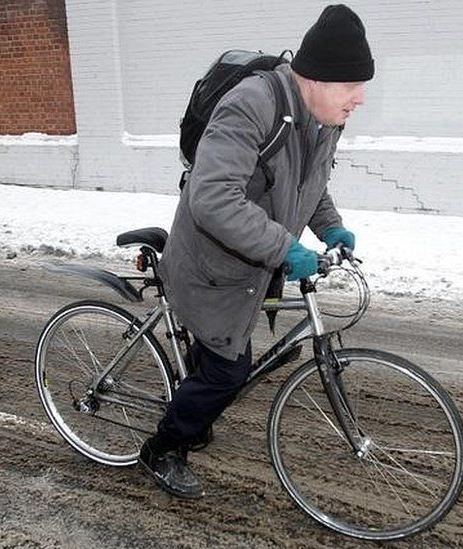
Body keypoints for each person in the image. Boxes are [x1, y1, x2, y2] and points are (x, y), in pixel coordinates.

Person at [139, 4, 375, 498]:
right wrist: (285, 247)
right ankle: (161, 449)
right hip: (212, 265)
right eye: (351, 86)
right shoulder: (251, 104)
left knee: (214, 364)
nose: (359, 99)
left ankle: (193, 406)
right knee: (228, 370)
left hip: (249, 265)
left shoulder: (320, 119)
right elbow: (212, 197)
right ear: (316, 77)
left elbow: (308, 186)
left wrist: (331, 228)